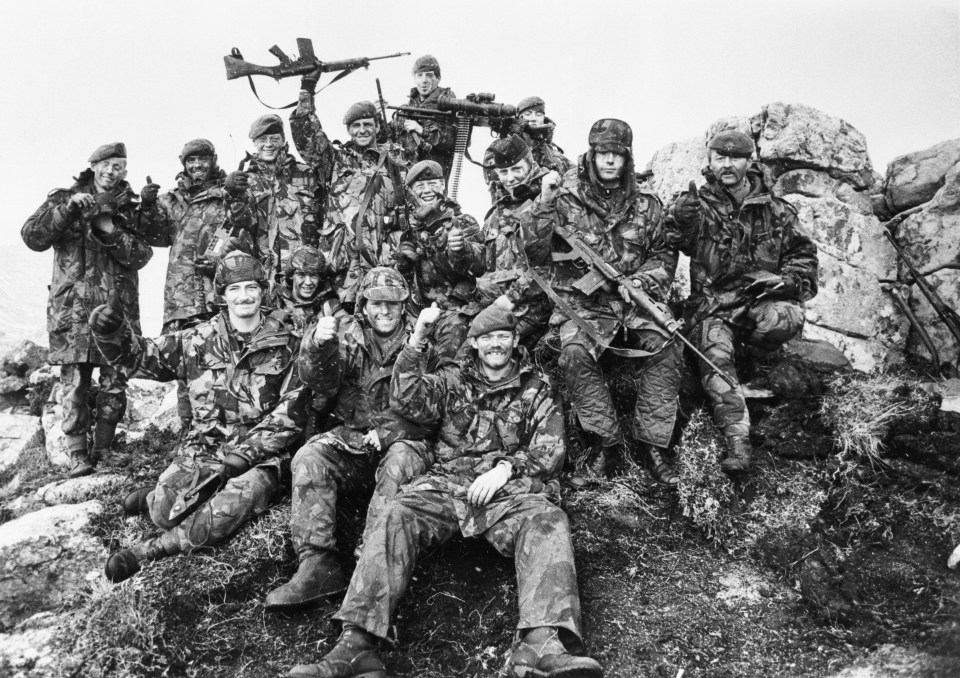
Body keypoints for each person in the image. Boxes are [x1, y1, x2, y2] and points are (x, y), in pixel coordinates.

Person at [286, 304, 603, 678]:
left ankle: (540, 646)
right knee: (396, 514)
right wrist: (418, 339)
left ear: (516, 341)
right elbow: (404, 397)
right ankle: (356, 645)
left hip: (510, 492)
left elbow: (551, 450)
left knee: (549, 520)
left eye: (504, 336)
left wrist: (506, 469)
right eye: (488, 338)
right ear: (475, 343)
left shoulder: (537, 387)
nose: (496, 345)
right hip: (448, 484)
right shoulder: (453, 380)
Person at [90, 252, 309, 583]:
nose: (245, 296)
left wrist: (245, 455)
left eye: (252, 287)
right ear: (222, 295)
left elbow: (291, 411)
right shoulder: (196, 340)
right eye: (235, 289)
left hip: (261, 457)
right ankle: (155, 495)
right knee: (164, 512)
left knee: (226, 508)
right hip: (204, 449)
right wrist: (111, 332)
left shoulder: (289, 342)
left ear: (263, 290)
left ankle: (152, 549)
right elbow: (138, 357)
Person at [264, 267, 436, 612]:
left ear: (405, 305)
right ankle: (317, 564)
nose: (385, 311)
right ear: (364, 304)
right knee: (310, 457)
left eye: (393, 304)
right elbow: (321, 383)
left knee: (400, 460)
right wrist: (318, 345)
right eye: (376, 303)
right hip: (353, 441)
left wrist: (387, 432)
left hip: (406, 443)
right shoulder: (348, 335)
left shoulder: (423, 341)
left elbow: (434, 408)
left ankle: (370, 568)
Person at [521, 119, 682, 485]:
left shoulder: (648, 205)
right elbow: (534, 251)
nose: (610, 161)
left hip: (634, 303)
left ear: (627, 159)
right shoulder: (562, 198)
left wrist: (640, 281)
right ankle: (604, 445)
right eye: (603, 154)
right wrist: (544, 202)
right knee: (574, 352)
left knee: (667, 346)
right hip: (584, 303)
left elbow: (664, 256)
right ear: (592, 156)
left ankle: (652, 444)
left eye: (617, 155)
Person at [666, 129, 819, 472]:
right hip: (713, 309)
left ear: (750, 161)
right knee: (716, 359)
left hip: (757, 304)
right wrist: (682, 218)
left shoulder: (778, 210)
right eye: (720, 158)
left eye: (735, 158)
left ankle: (755, 357)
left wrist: (786, 281)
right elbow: (673, 240)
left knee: (786, 318)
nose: (727, 165)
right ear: (709, 161)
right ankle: (738, 440)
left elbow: (805, 259)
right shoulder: (698, 205)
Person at [22, 142, 153, 478]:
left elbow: (142, 255)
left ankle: (105, 448)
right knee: (75, 382)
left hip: (116, 309)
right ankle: (78, 452)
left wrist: (110, 230)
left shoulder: (131, 207)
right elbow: (32, 237)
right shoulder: (63, 198)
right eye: (107, 164)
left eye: (120, 166)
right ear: (93, 166)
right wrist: (66, 211)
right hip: (74, 310)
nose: (113, 171)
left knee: (114, 382)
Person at [140, 138, 256, 429]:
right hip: (180, 298)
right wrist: (147, 205)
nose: (197, 166)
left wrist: (234, 193)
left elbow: (245, 230)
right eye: (191, 161)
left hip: (215, 294)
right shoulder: (171, 200)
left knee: (224, 358)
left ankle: (225, 427)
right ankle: (188, 429)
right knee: (182, 362)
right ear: (184, 164)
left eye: (202, 160)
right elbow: (155, 236)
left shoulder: (226, 191)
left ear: (213, 160)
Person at [290, 92, 408, 307]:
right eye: (356, 125)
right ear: (348, 130)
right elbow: (305, 136)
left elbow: (406, 210)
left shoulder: (394, 163)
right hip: (339, 266)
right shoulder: (334, 160)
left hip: (380, 265)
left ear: (378, 128)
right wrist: (306, 92)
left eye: (367, 124)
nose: (362, 130)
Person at [398, 159, 485, 358]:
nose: (427, 190)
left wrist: (445, 236)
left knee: (448, 354)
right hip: (414, 311)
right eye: (420, 186)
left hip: (455, 310)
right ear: (411, 190)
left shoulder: (463, 222)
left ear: (443, 185)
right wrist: (402, 265)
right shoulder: (405, 227)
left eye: (433, 184)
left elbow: (478, 266)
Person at [477, 135, 553, 346]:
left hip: (535, 306)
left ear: (531, 164)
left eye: (516, 169)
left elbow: (549, 266)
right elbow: (485, 261)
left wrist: (512, 297)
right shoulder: (498, 211)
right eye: (503, 172)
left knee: (485, 343)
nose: (510, 178)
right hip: (498, 304)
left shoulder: (548, 200)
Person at [232, 114, 321, 284]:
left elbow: (326, 216)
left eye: (274, 139)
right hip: (263, 273)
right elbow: (231, 225)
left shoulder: (306, 173)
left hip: (303, 274)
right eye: (262, 139)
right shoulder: (245, 180)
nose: (269, 144)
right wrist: (231, 194)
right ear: (254, 143)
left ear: (283, 140)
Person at [391, 54, 458, 178]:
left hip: (433, 180)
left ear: (438, 78)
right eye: (419, 75)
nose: (424, 80)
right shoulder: (406, 110)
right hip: (406, 180)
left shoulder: (449, 108)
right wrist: (377, 117)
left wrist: (423, 130)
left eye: (429, 75)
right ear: (414, 79)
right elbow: (388, 139)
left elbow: (455, 141)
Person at [273, 245, 343, 334]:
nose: (308, 282)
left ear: (320, 277)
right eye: (301, 275)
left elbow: (348, 328)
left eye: (314, 275)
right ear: (291, 276)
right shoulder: (275, 300)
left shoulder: (330, 306)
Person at [513, 96, 572, 175]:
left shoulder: (554, 153)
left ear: (544, 118)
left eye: (538, 114)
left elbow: (575, 173)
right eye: (528, 114)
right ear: (520, 117)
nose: (533, 118)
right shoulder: (505, 144)